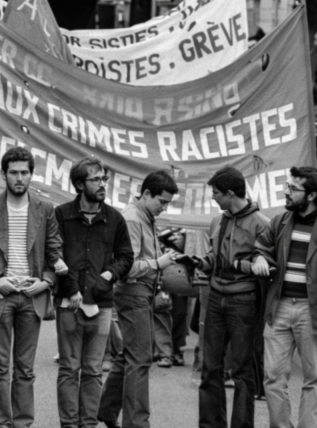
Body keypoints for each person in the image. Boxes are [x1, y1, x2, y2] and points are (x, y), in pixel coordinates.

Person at [0, 147, 65, 428]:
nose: (19, 178)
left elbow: (54, 250)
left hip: (31, 296)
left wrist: (47, 281)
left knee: (25, 369)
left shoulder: (45, 209)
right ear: (3, 174)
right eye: (13, 172)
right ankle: (1, 423)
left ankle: (23, 423)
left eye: (24, 172)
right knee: (0, 368)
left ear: (31, 175)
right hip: (0, 294)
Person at [180, 167, 269, 428]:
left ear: (231, 193)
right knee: (210, 369)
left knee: (242, 373)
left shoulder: (262, 224)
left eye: (216, 193)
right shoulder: (217, 220)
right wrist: (198, 261)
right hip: (215, 300)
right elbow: (213, 258)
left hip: (244, 303)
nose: (213, 198)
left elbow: (264, 266)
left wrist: (243, 265)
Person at [53, 158, 133, 428]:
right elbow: (53, 253)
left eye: (104, 179)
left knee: (93, 370)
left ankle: (88, 424)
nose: (102, 184)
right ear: (79, 184)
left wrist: (108, 275)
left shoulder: (115, 218)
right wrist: (71, 287)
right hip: (69, 303)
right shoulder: (61, 214)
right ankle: (69, 424)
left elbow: (125, 256)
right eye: (95, 179)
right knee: (68, 368)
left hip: (102, 304)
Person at [98, 170, 180, 428]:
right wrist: (158, 262)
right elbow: (125, 266)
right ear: (146, 194)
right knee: (140, 358)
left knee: (130, 355)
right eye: (162, 201)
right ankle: (136, 423)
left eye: (167, 202)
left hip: (139, 292)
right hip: (133, 291)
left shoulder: (141, 214)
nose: (164, 208)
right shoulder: (133, 218)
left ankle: (107, 411)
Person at [251, 166, 317, 428]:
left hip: (311, 311)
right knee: (273, 378)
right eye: (286, 187)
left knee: (313, 379)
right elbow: (262, 247)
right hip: (277, 308)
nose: (285, 192)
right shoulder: (280, 221)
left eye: (293, 188)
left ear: (311, 195)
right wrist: (259, 258)